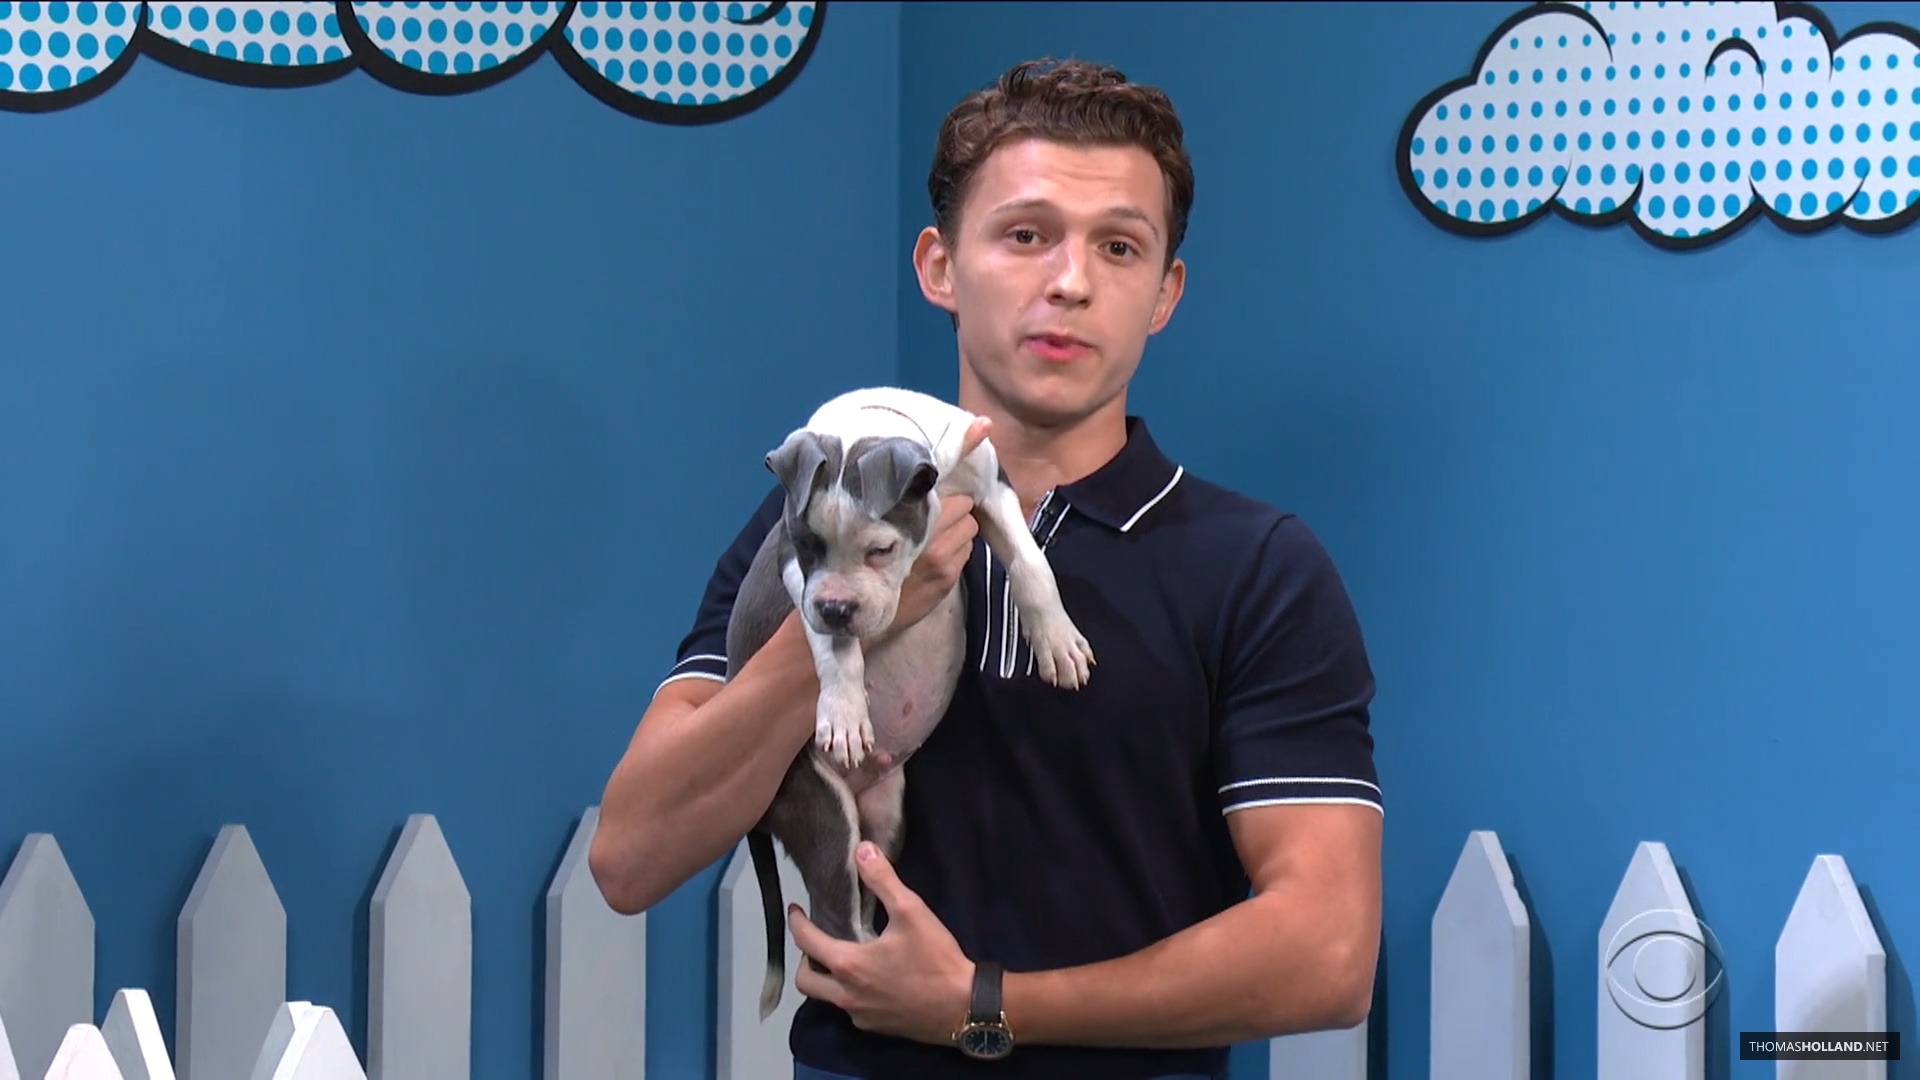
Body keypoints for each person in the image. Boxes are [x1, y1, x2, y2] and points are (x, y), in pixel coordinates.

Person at [589, 56, 1383, 1080]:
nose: (1071, 281)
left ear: (1164, 293)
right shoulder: (814, 528)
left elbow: (1326, 954)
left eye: (1119, 246)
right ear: (940, 268)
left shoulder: (1256, 567)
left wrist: (981, 1005)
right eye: (1025, 235)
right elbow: (632, 856)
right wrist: (844, 614)